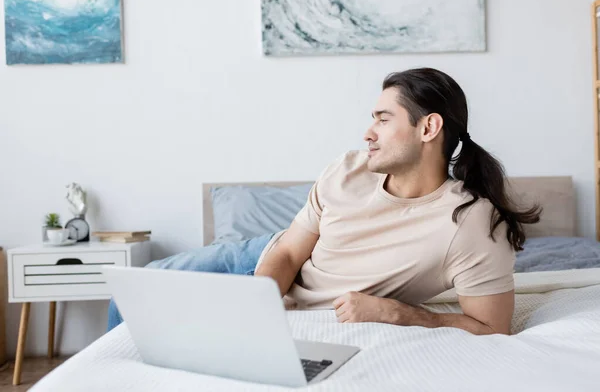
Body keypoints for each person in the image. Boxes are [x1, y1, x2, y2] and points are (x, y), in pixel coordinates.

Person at [107, 67, 540, 335]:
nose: (368, 132)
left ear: (428, 129)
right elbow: (291, 250)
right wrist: (258, 304)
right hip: (261, 260)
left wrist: (402, 314)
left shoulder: (472, 224)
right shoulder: (349, 168)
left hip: (295, 292)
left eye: (383, 119)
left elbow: (492, 327)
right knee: (130, 292)